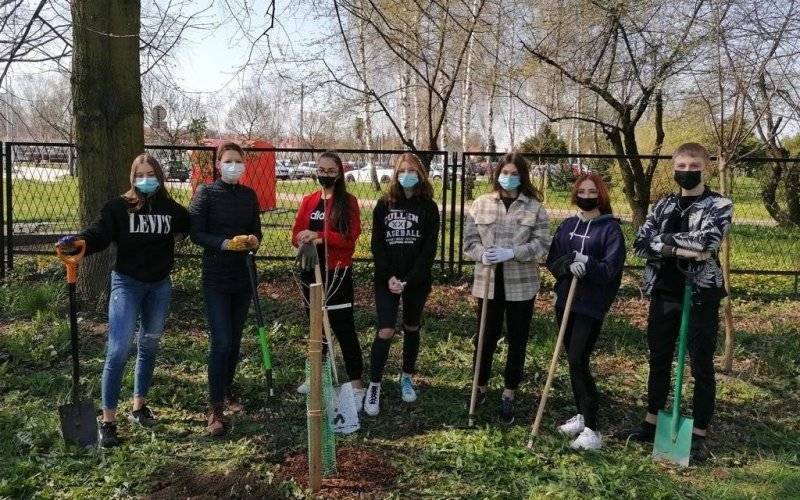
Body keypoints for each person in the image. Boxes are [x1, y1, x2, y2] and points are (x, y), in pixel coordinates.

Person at [55, 153, 189, 447]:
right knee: (118, 349)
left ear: (159, 177)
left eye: (151, 174)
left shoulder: (170, 208)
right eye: (140, 174)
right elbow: (98, 234)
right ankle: (108, 421)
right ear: (132, 177)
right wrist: (77, 242)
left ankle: (139, 406)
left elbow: (193, 225)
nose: (146, 179)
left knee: (149, 345)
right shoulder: (118, 207)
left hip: (159, 286)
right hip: (127, 284)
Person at [616, 142, 733, 461]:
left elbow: (708, 242)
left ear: (705, 166)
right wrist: (681, 248)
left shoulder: (719, 204)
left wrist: (663, 243)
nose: (686, 171)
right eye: (680, 166)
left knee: (701, 362)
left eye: (693, 166)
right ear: (673, 168)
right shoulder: (663, 205)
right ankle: (652, 421)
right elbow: (641, 243)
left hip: (701, 292)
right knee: (659, 356)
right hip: (664, 290)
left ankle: (698, 433)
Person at [462, 152, 550, 424]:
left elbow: (542, 245)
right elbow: (468, 241)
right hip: (487, 284)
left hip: (521, 284)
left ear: (522, 176)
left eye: (514, 174)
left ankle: (509, 393)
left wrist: (513, 253)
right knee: (485, 338)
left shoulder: (534, 207)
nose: (508, 178)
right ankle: (480, 386)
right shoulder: (482, 203)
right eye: (505, 172)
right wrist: (482, 253)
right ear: (497, 173)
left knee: (517, 340)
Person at [545, 173, 625, 450]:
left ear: (601, 195)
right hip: (565, 300)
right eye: (582, 191)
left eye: (593, 192)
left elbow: (610, 271)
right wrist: (568, 265)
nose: (587, 196)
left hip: (590, 304)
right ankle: (581, 415)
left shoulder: (610, 230)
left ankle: (592, 428)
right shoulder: (567, 225)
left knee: (579, 359)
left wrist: (587, 262)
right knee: (571, 359)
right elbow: (552, 260)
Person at [189, 142, 262, 437]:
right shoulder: (206, 193)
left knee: (234, 340)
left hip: (243, 276)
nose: (234, 165)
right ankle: (214, 408)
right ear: (219, 164)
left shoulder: (248, 195)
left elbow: (257, 229)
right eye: (228, 160)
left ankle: (229, 390)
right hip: (216, 277)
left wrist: (253, 240)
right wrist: (224, 243)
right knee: (220, 341)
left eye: (238, 161)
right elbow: (196, 233)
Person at [364, 153, 440, 416]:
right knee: (385, 330)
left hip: (416, 281)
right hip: (387, 279)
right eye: (402, 170)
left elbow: (429, 249)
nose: (407, 175)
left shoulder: (429, 207)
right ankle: (374, 383)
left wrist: (409, 280)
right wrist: (390, 277)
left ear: (420, 174)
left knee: (411, 326)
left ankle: (406, 376)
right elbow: (377, 244)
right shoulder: (384, 205)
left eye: (412, 170)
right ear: (395, 174)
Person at [292, 151, 364, 408]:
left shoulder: (348, 201)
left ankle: (356, 385)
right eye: (321, 169)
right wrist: (303, 237)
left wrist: (319, 237)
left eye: (330, 170)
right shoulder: (309, 200)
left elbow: (349, 237)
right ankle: (316, 377)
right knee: (316, 327)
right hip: (310, 269)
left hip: (337, 272)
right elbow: (296, 233)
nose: (324, 174)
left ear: (339, 172)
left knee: (343, 327)